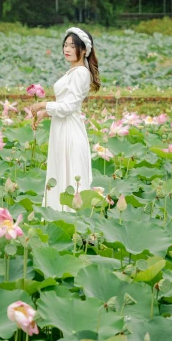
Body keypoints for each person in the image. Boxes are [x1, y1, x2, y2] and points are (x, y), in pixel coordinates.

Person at [29, 27, 101, 211]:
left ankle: (70, 220)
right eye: (65, 45)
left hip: (70, 131)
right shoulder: (73, 72)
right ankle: (58, 215)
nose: (67, 49)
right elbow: (65, 104)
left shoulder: (80, 73)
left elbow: (69, 108)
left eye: (72, 45)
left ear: (84, 50)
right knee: (60, 173)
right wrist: (45, 113)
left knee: (70, 174)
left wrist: (43, 105)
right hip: (62, 127)